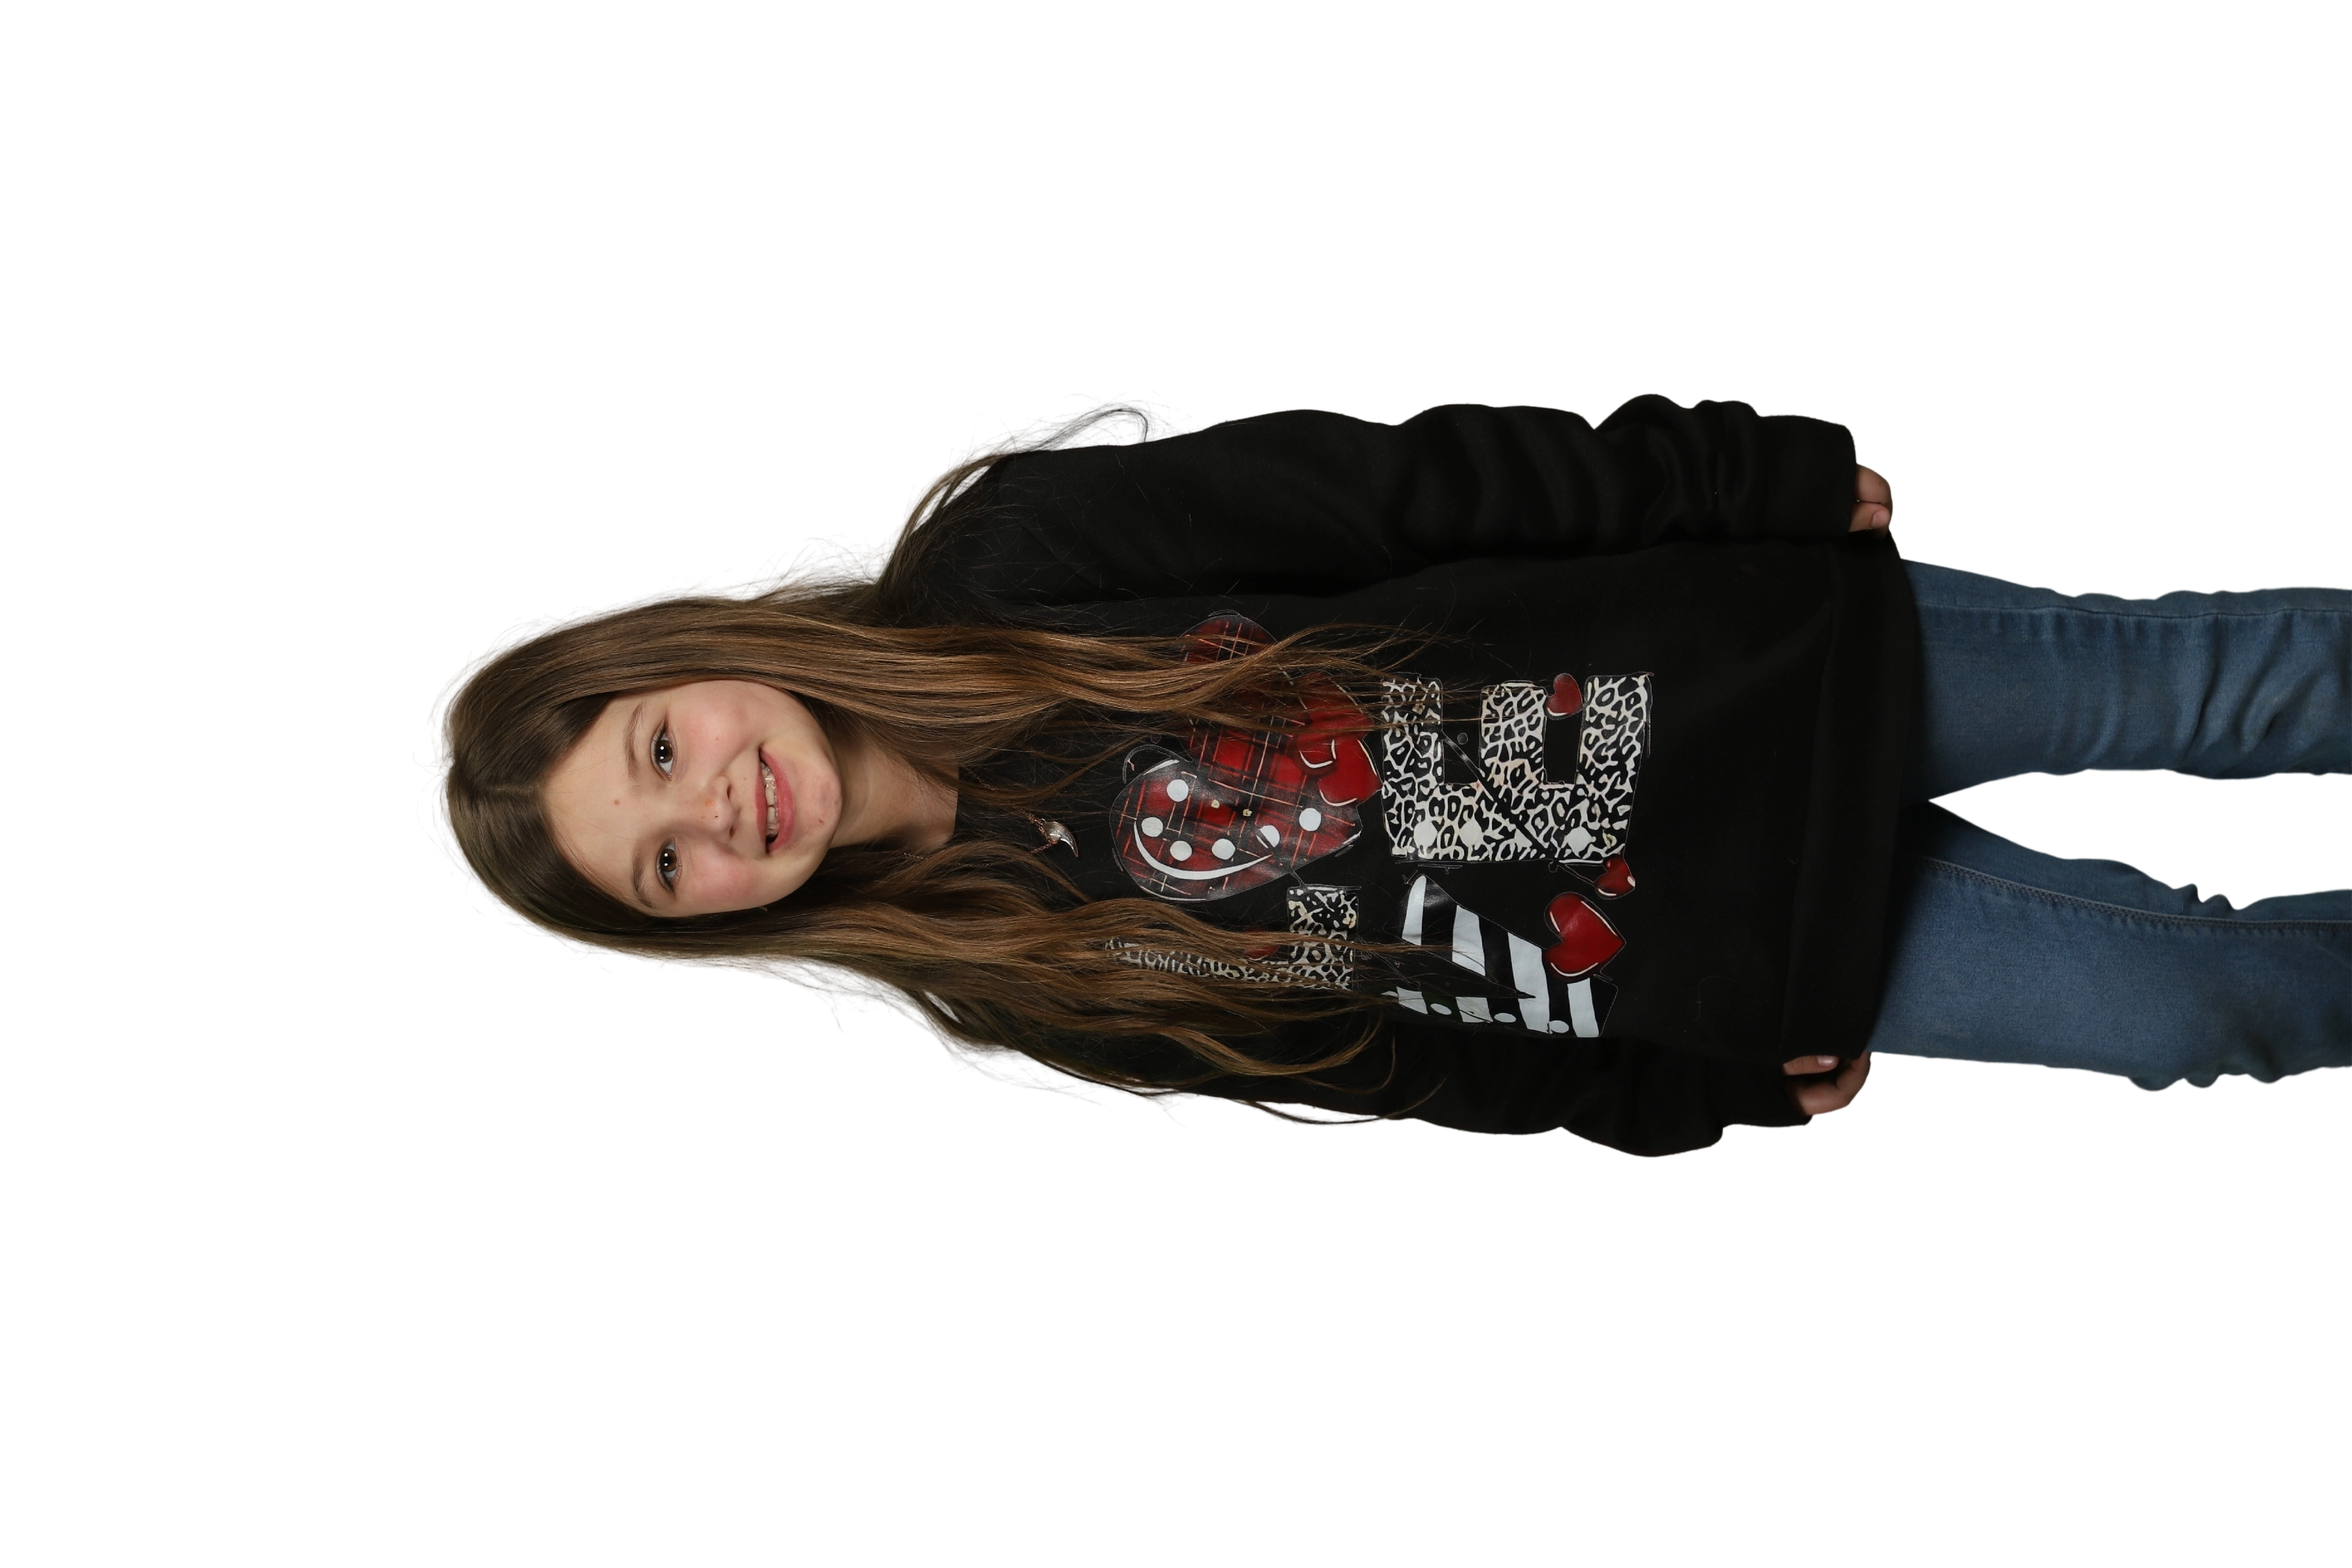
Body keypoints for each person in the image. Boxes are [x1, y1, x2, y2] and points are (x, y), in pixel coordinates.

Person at [415, 386, 2352, 1157]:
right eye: (665, 867)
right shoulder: (1013, 991)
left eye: (660, 750)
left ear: (686, 661)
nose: (715, 809)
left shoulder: (1004, 561)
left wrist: (1731, 470)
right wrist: (1664, 1094)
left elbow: (1403, 491)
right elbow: (1385, 1066)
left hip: (1773, 674)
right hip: (1742, 944)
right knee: (2198, 1011)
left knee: (2233, 695)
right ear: (710, 929)